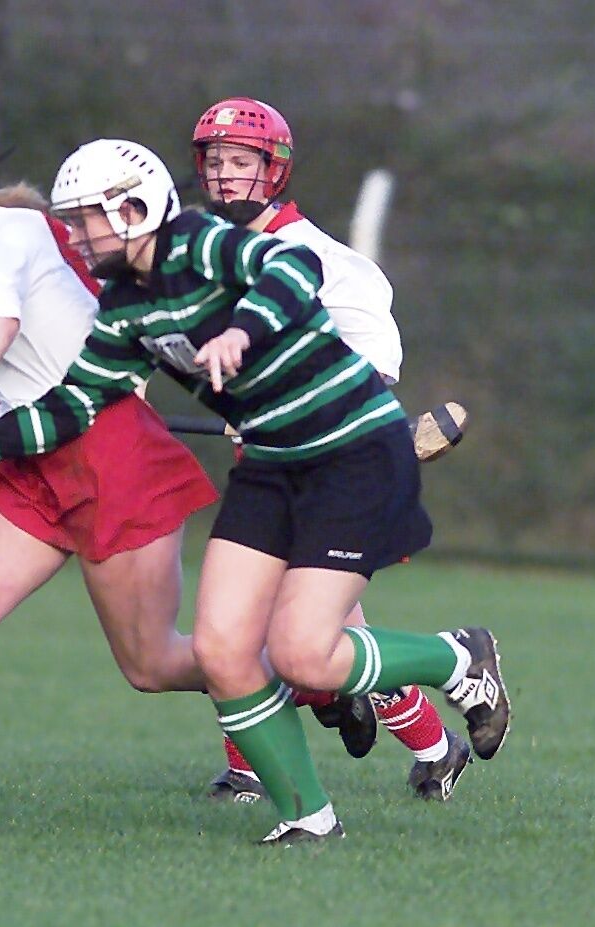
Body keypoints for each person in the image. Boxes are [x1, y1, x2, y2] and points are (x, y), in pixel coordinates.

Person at [0, 138, 512, 844]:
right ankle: (308, 817)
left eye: (85, 221)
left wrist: (242, 326)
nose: (73, 236)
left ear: (134, 210)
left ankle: (457, 657)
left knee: (302, 652)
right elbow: (75, 404)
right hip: (269, 463)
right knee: (223, 648)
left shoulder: (202, 242)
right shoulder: (123, 310)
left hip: (350, 451)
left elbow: (294, 267)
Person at [0, 122, 371, 841]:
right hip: (30, 452)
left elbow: (1, 321)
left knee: (153, 663)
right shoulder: (19, 228)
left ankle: (302, 671)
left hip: (109, 460)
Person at [192, 96, 471, 802]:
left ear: (275, 169)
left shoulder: (325, 262)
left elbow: (373, 369)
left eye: (242, 163)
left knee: (282, 631)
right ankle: (434, 748)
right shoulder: (207, 258)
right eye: (216, 162)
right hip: (266, 466)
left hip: (332, 466)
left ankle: (263, 760)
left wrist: (288, 411)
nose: (226, 177)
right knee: (307, 629)